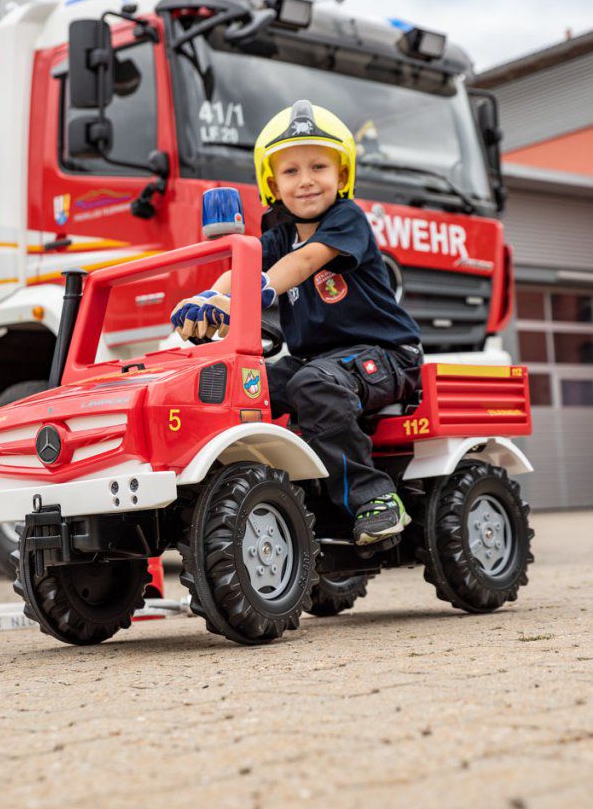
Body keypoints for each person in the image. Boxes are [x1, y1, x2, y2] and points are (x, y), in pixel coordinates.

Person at [171, 100, 423, 545]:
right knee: (240, 383)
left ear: (342, 175)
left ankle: (375, 498)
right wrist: (209, 298)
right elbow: (241, 265)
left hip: (386, 354)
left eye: (318, 166)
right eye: (290, 172)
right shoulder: (277, 234)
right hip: (319, 360)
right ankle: (264, 497)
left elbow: (306, 261)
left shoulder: (346, 220)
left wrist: (260, 287)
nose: (306, 180)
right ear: (271, 183)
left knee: (313, 384)